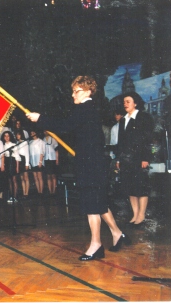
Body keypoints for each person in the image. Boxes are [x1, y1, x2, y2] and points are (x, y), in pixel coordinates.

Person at [26, 75, 129, 261]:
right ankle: (117, 233)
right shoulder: (87, 109)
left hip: (91, 164)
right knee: (99, 202)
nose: (73, 95)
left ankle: (96, 245)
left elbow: (64, 126)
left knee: (92, 205)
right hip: (93, 162)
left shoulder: (84, 109)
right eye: (72, 91)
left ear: (88, 92)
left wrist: (40, 118)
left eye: (77, 91)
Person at [116, 91, 154, 226]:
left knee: (141, 187)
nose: (125, 104)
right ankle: (135, 214)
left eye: (128, 101)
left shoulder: (143, 117)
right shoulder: (123, 120)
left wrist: (145, 158)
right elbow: (120, 142)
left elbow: (148, 140)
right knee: (129, 187)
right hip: (126, 160)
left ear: (135, 103)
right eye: (124, 102)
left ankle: (141, 214)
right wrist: (118, 159)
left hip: (139, 159)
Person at [0, 131, 20, 203]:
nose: (6, 137)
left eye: (8, 136)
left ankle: (15, 196)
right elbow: (3, 156)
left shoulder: (13, 145)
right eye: (5, 136)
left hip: (13, 161)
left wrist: (17, 167)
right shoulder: (3, 146)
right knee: (9, 180)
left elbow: (17, 157)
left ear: (10, 136)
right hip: (7, 162)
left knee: (14, 180)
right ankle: (11, 196)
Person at [29, 129, 45, 195]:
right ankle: (38, 192)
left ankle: (41, 191)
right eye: (31, 133)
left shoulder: (41, 141)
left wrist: (40, 161)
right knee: (35, 177)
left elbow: (42, 152)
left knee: (39, 177)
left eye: (33, 132)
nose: (32, 133)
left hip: (39, 161)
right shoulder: (30, 142)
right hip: (33, 161)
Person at [15, 130, 30, 198]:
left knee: (26, 177)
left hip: (24, 160)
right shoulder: (17, 143)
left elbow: (27, 153)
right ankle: (24, 192)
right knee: (22, 178)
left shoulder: (25, 143)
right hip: (20, 160)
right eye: (16, 135)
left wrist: (27, 164)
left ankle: (27, 193)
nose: (17, 136)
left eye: (19, 134)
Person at [43, 131, 59, 195]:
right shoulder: (43, 140)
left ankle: (54, 191)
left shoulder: (53, 139)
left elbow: (56, 150)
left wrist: (57, 159)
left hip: (53, 159)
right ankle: (50, 191)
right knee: (48, 176)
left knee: (53, 175)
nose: (45, 132)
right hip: (46, 159)